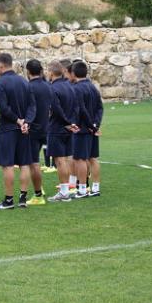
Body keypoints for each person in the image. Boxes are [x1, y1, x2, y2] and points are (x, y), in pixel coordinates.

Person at [0, 53, 36, 210]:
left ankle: (9, 200)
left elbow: (4, 108)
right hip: (24, 128)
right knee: (24, 163)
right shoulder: (25, 82)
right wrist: (27, 122)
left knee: (8, 164)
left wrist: (18, 121)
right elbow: (32, 105)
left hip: (8, 128)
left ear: (1, 65)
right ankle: (22, 198)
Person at [46, 61, 79, 202]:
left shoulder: (52, 88)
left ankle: (64, 192)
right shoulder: (69, 86)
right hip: (68, 127)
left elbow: (56, 109)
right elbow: (77, 106)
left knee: (60, 161)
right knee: (65, 159)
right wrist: (72, 122)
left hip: (57, 128)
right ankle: (66, 190)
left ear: (51, 73)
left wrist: (67, 123)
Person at [70, 61, 101, 199]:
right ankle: (95, 187)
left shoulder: (77, 88)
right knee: (93, 158)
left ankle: (82, 189)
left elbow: (81, 109)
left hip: (83, 129)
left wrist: (90, 126)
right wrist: (96, 125)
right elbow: (100, 108)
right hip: (92, 129)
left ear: (74, 73)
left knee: (80, 159)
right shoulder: (93, 87)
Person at [24, 59, 52, 206]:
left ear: (28, 72)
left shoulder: (28, 87)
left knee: (33, 163)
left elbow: (27, 108)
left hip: (33, 129)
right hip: (46, 127)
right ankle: (40, 188)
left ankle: (38, 195)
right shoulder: (48, 86)